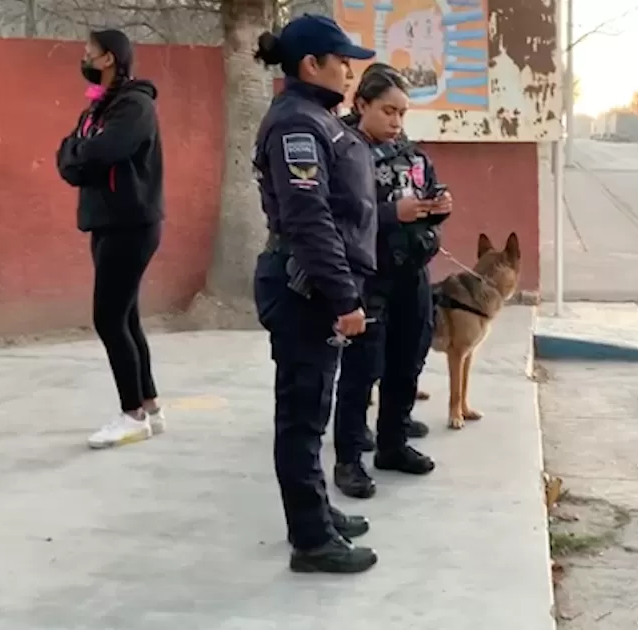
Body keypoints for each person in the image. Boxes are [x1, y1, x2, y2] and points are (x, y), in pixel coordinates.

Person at [250, 14, 383, 574]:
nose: (351, 71)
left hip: (318, 287)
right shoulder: (297, 127)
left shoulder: (315, 117)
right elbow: (310, 221)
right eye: (342, 60)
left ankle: (317, 512)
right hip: (308, 288)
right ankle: (311, 539)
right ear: (311, 65)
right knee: (302, 417)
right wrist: (343, 299)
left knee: (314, 409)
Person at [332, 64, 447, 498]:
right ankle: (349, 461)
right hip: (368, 275)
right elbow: (337, 215)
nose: (396, 122)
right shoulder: (345, 152)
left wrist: (439, 204)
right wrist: (389, 215)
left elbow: (428, 188)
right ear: (362, 104)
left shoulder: (410, 153)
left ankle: (393, 443)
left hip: (411, 271)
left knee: (407, 359)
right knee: (362, 369)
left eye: (402, 113)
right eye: (387, 111)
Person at [56, 29, 166, 449]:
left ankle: (131, 413)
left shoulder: (134, 105)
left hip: (131, 224)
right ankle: (150, 407)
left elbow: (104, 152)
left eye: (90, 51)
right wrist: (78, 156)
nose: (83, 56)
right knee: (126, 316)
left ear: (109, 59)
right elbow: (68, 153)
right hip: (105, 222)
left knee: (108, 318)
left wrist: (80, 155)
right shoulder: (96, 108)